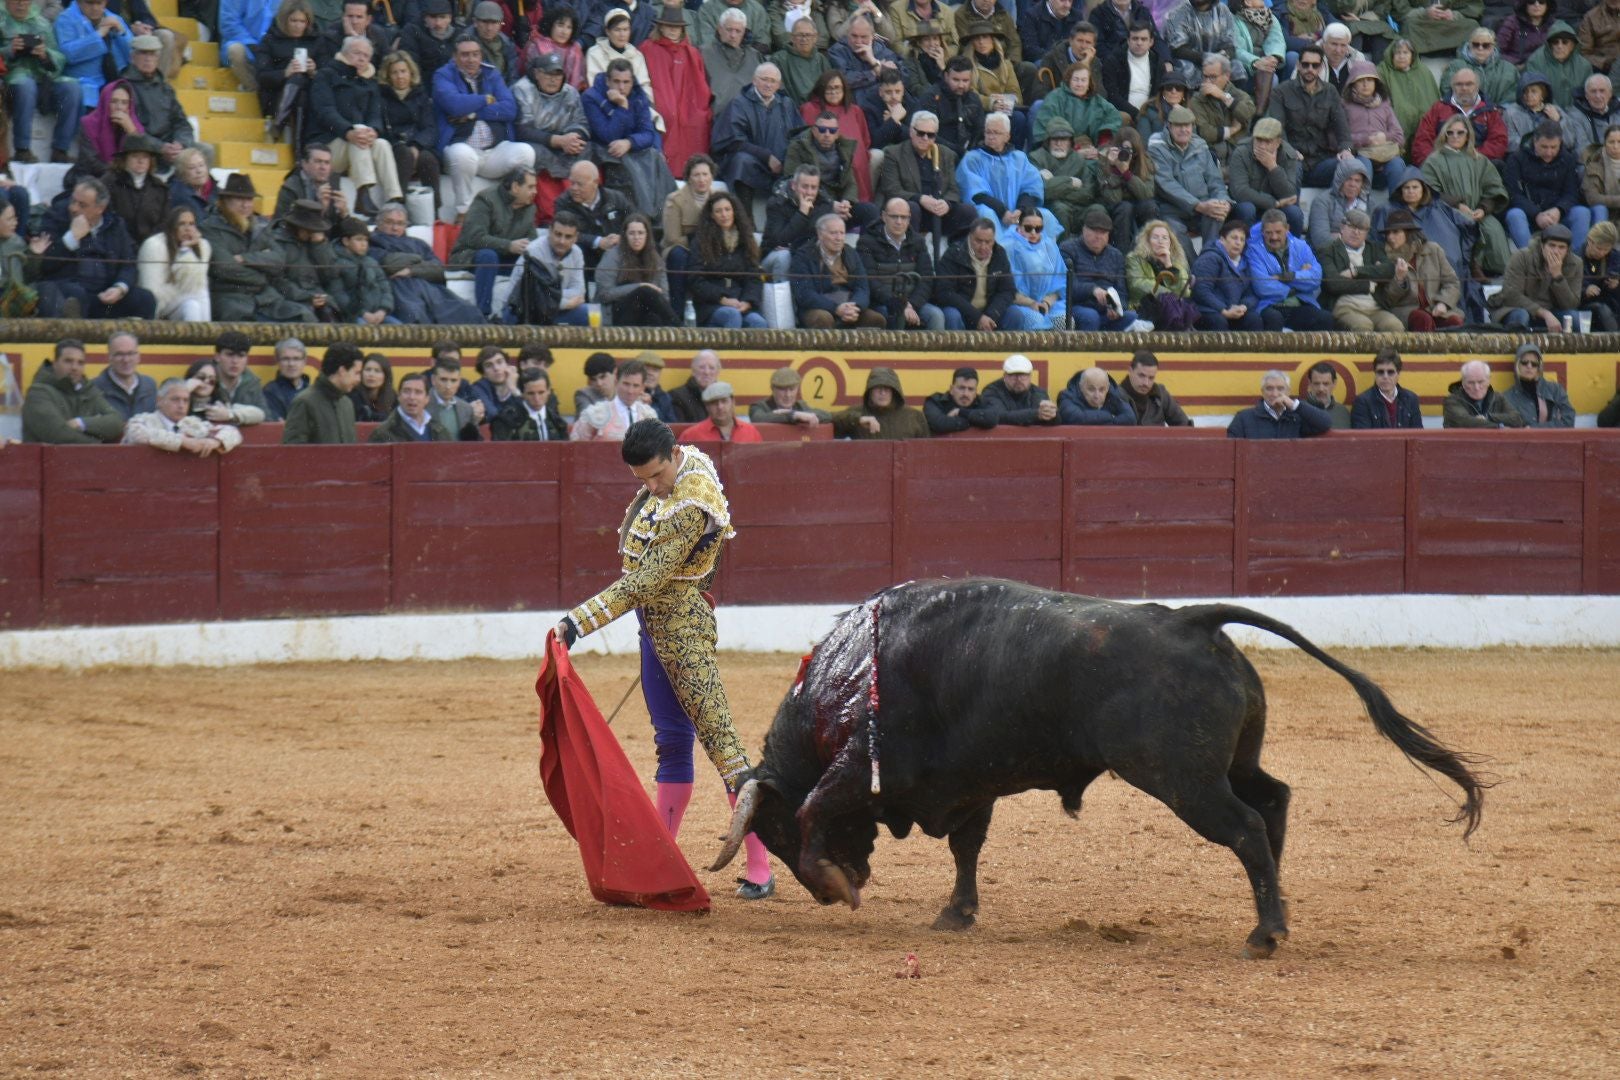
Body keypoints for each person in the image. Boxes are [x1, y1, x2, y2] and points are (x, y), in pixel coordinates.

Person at [554, 419, 775, 899]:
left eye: (657, 475)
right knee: (671, 742)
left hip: (684, 634)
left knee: (724, 747)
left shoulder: (689, 503)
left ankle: (761, 865)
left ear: (675, 454)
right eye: (643, 480)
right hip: (654, 627)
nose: (653, 487)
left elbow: (644, 581)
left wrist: (578, 622)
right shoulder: (677, 471)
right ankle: (660, 859)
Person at [434, 36, 535, 218]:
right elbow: (454, 105)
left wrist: (473, 113)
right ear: (455, 57)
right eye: (465, 55)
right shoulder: (443, 75)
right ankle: (463, 212)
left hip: (494, 150)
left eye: (475, 54)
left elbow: (510, 109)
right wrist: (486, 99)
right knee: (461, 155)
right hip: (461, 147)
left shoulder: (491, 73)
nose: (471, 60)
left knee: (526, 152)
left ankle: (511, 206)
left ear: (481, 55)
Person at [35, 179, 157, 320]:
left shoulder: (116, 225)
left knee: (145, 299)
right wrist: (71, 238)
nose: (73, 208)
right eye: (73, 201)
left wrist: (119, 288)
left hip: (105, 295)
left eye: (82, 205)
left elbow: (128, 264)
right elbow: (45, 264)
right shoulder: (56, 217)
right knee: (75, 295)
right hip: (70, 288)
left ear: (100, 208)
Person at [367, 203, 489, 325]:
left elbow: (438, 268)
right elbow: (391, 262)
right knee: (414, 313)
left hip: (430, 289)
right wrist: (420, 260)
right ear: (378, 222)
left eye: (400, 223)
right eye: (389, 222)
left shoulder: (418, 243)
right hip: (399, 288)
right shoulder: (372, 241)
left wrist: (411, 271)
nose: (394, 228)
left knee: (468, 311)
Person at [2, 0, 84, 164]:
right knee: (26, 86)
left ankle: (61, 149)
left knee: (72, 88)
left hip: (43, 76)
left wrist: (45, 54)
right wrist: (9, 50)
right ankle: (22, 149)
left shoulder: (42, 23)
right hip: (14, 77)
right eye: (15, 1)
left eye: (24, 1)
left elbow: (59, 57)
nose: (20, 5)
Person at [1148, 103, 1234, 256]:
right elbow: (1166, 184)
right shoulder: (1157, 146)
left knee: (1217, 214)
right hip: (1172, 209)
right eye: (1178, 126)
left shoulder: (1200, 145)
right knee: (1174, 230)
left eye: (1187, 125)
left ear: (1192, 126)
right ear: (1169, 126)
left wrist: (1223, 201)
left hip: (1204, 206)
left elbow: (1215, 180)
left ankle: (1208, 261)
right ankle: (1195, 268)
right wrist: (1198, 205)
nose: (1183, 130)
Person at [515, 53, 593, 222]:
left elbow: (582, 123)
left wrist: (573, 138)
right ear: (537, 74)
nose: (553, 79)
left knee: (586, 148)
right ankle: (547, 213)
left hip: (565, 141)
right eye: (548, 74)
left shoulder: (570, 92)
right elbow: (522, 130)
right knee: (535, 153)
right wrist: (557, 141)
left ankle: (583, 208)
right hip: (538, 141)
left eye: (558, 75)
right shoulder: (522, 89)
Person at [451, 166, 538, 317]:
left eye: (535, 187)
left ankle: (521, 316)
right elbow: (474, 237)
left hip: (503, 259)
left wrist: (532, 248)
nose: (535, 191)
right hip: (470, 256)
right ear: (516, 187)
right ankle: (483, 316)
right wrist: (509, 246)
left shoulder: (530, 208)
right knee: (488, 256)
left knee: (533, 261)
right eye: (531, 187)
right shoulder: (486, 199)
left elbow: (533, 240)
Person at [957, 112, 1053, 246]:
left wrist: (1021, 210)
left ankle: (1044, 260)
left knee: (1045, 216)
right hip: (991, 212)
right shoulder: (973, 159)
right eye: (988, 132)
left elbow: (1032, 187)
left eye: (996, 133)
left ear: (1007, 136)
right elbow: (975, 193)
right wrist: (1003, 212)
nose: (991, 136)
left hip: (1018, 213)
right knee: (986, 213)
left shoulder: (1019, 158)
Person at [1267, 44, 1356, 188]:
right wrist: (1290, 152)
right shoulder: (1281, 91)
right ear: (1298, 65)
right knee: (1293, 166)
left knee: (1351, 166)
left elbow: (1341, 125)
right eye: (1306, 64)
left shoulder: (1330, 91)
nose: (1310, 69)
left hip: (1321, 160)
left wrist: (1346, 149)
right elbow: (1277, 128)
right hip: (1292, 157)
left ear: (1321, 67)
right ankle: (1292, 209)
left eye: (1315, 65)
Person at [857, 197, 953, 329]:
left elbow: (926, 278)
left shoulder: (918, 241)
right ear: (884, 216)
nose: (899, 222)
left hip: (913, 302)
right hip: (883, 302)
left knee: (936, 315)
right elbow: (870, 279)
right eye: (894, 216)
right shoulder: (866, 243)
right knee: (890, 316)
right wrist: (898, 305)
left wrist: (912, 305)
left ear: (909, 219)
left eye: (903, 217)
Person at [711, 61, 796, 205]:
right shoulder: (739, 104)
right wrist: (766, 156)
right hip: (754, 163)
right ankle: (746, 217)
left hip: (783, 165)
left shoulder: (787, 105)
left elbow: (798, 135)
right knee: (741, 161)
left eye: (773, 81)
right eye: (764, 79)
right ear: (754, 80)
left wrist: (786, 161)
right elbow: (733, 141)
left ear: (778, 84)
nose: (768, 85)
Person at [790, 213, 888, 328]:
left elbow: (862, 287)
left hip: (849, 305)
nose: (839, 238)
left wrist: (854, 307)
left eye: (842, 233)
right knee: (822, 319)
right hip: (819, 307)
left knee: (877, 320)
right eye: (833, 233)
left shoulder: (851, 253)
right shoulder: (803, 256)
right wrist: (836, 308)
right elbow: (805, 294)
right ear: (820, 234)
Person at [376, 50, 443, 218]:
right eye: (395, 72)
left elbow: (430, 128)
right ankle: (399, 208)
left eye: (403, 71)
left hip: (417, 144)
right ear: (388, 75)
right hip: (393, 144)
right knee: (403, 154)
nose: (400, 76)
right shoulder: (381, 96)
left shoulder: (420, 95)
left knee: (428, 159)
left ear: (411, 72)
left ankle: (434, 212)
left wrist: (416, 145)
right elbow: (380, 127)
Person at [1504, 123, 1589, 253]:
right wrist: (1536, 214)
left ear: (1560, 143)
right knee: (1514, 214)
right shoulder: (1517, 159)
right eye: (1544, 147)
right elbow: (1513, 194)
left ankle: (1575, 261)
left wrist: (1559, 210)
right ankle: (1530, 260)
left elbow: (1571, 193)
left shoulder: (1568, 159)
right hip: (1529, 215)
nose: (1549, 152)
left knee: (1582, 212)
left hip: (1557, 215)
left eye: (1553, 147)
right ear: (1534, 141)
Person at [119, 32, 200, 169]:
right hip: (143, 148)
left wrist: (180, 144)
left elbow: (181, 122)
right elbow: (130, 129)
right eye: (143, 53)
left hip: (171, 146)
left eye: (152, 54)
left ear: (158, 59)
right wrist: (160, 147)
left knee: (205, 151)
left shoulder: (166, 89)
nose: (148, 59)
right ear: (133, 57)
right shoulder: (124, 87)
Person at [934, 217, 1031, 331]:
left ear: (994, 240)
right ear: (970, 237)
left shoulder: (999, 254)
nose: (983, 247)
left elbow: (1008, 291)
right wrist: (977, 317)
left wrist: (991, 315)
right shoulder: (953, 254)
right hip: (963, 313)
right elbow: (945, 292)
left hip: (990, 313)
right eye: (978, 241)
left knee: (1015, 314)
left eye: (988, 242)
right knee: (951, 315)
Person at [1245, 207, 1333, 330]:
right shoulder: (1254, 251)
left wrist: (1287, 277)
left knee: (1325, 318)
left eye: (1278, 232)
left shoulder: (1301, 246)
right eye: (1269, 233)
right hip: (1270, 306)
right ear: (1262, 232)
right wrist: (1299, 281)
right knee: (1273, 319)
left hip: (1300, 304)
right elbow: (1262, 287)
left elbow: (1316, 278)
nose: (1274, 237)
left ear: (1287, 229)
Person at [22, 339, 125, 444]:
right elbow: (58, 435)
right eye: (68, 361)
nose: (74, 368)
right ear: (55, 363)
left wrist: (81, 423)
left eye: (80, 363)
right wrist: (99, 446)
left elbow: (116, 422)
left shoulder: (87, 390)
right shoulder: (38, 393)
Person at [1319, 208, 1400, 332]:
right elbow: (1333, 284)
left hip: (1375, 307)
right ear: (1342, 227)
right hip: (1344, 307)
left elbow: (1388, 270)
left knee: (1394, 326)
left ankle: (1388, 353)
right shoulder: (1328, 250)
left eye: (1361, 229)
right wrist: (1368, 284)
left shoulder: (1374, 248)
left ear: (1367, 232)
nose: (1356, 232)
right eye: (1352, 226)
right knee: (1363, 326)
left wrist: (1355, 271)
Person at [1490, 222, 1581, 331]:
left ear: (1567, 250)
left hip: (1553, 311)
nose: (1556, 251)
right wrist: (1544, 313)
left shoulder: (1575, 263)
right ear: (1542, 246)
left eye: (1561, 247)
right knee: (1521, 316)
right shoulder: (1521, 256)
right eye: (1552, 245)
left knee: (1572, 318)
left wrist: (1558, 276)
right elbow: (1511, 295)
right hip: (1517, 308)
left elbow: (1571, 305)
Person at [1410, 67, 1507, 166]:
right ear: (1452, 86)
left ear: (1477, 86)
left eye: (1469, 84)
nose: (1464, 88)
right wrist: (1437, 162)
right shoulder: (1438, 108)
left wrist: (1471, 159)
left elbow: (1498, 142)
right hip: (1442, 166)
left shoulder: (1490, 111)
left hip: (1478, 165)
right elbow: (1422, 141)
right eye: (1459, 84)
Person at [1061, 207, 1137, 332]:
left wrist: (1117, 308)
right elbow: (1067, 286)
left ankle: (1117, 351)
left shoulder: (1116, 255)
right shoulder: (1068, 249)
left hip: (1106, 311)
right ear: (1084, 230)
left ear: (1108, 235)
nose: (1098, 236)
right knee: (1090, 316)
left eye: (1103, 232)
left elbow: (1122, 292)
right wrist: (1093, 290)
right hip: (1076, 306)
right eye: (1094, 231)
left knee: (1132, 317)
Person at [122, 377, 243, 455]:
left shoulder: (192, 423)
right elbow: (136, 434)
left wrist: (215, 441)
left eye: (186, 400)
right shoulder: (142, 420)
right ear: (159, 400)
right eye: (175, 399)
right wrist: (183, 442)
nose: (181, 405)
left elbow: (233, 432)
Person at [552, 160, 632, 276]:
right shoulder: (563, 203)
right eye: (572, 183)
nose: (574, 188)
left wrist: (622, 237)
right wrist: (598, 242)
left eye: (579, 184)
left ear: (595, 182)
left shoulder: (616, 198)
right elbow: (565, 234)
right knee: (575, 248)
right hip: (586, 256)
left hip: (618, 251)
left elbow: (635, 221)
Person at [133, 205, 210, 322]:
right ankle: (208, 335)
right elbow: (153, 294)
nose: (187, 229)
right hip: (160, 306)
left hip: (185, 302)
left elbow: (197, 283)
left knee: (192, 306)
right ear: (172, 226)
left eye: (191, 224)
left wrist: (186, 249)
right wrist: (181, 290)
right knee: (198, 294)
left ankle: (203, 338)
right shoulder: (154, 245)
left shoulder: (203, 246)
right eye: (182, 224)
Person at [282, 343, 364, 444]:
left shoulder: (346, 403)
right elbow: (292, 449)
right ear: (342, 371)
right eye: (356, 373)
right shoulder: (305, 402)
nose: (359, 379)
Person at [1127, 218, 1200, 330]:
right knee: (1171, 303)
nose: (1160, 241)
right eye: (1155, 237)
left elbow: (1184, 293)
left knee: (1180, 307)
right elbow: (1137, 284)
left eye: (1165, 238)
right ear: (1147, 241)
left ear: (1170, 242)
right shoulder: (1135, 258)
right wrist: (1167, 294)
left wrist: (1168, 265)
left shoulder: (1177, 263)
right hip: (1144, 307)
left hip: (1171, 309)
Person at [1190, 214, 1260, 330]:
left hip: (1232, 311)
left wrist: (1243, 306)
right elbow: (1201, 290)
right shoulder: (1210, 258)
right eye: (1234, 238)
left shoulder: (1245, 263)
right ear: (1222, 240)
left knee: (1253, 319)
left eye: (1242, 240)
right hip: (1208, 310)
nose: (1238, 242)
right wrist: (1224, 310)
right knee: (1218, 322)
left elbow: (1251, 294)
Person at [1005, 208, 1067, 330]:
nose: (1033, 232)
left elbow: (1060, 282)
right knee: (1036, 321)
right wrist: (1030, 303)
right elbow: (1005, 287)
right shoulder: (1007, 247)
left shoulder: (1049, 246)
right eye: (1028, 228)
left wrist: (1047, 302)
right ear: (1019, 225)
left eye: (1038, 229)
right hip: (1019, 304)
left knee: (1064, 321)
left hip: (1048, 304)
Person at [1226, 369, 1332, 439]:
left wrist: (1294, 405)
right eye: (1269, 388)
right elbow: (1231, 450)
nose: (1275, 394)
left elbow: (1325, 423)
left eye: (1280, 388)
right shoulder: (1244, 418)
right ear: (1262, 391)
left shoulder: (1298, 416)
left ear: (1288, 391)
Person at [831, 366, 930, 439]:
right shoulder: (857, 414)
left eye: (887, 389)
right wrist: (857, 419)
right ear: (870, 391)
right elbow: (828, 420)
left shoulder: (914, 417)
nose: (882, 393)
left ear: (894, 392)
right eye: (877, 388)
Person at [1377, 37, 1439, 150]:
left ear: (1412, 55)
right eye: (1398, 53)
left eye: (1406, 52)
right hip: (1395, 120)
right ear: (1391, 55)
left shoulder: (1423, 71)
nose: (1402, 56)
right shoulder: (1383, 70)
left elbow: (1433, 98)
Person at [330, 216, 395, 323]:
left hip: (379, 314)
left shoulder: (371, 262)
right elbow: (338, 294)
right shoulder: (336, 263)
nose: (364, 244)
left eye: (366, 240)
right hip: (353, 316)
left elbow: (385, 287)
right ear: (346, 241)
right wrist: (362, 313)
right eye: (359, 239)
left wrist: (383, 310)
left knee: (398, 328)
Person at [572, 358, 658, 440]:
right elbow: (576, 445)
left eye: (636, 386)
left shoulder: (649, 415)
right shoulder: (596, 413)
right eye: (626, 384)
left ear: (642, 387)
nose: (630, 391)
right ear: (616, 382)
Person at [701, 7, 765, 117]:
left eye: (738, 31)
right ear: (720, 29)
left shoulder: (755, 56)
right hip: (715, 119)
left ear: (744, 32)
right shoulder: (703, 53)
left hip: (749, 120)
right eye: (729, 29)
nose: (733, 35)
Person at [1501, 342, 1576, 427]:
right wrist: (1555, 423)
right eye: (1525, 362)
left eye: (1534, 364)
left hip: (1555, 440)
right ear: (1517, 365)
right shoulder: (1507, 398)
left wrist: (1533, 428)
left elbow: (1568, 421)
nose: (1529, 366)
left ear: (1539, 367)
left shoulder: (1556, 390)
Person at [368, 371, 456, 442]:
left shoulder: (440, 431)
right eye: (406, 391)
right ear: (399, 397)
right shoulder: (383, 433)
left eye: (418, 392)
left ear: (427, 399)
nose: (412, 397)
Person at [1350, 346, 1424, 428]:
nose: (1385, 376)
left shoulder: (1411, 399)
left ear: (1398, 374)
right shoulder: (1362, 402)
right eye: (1380, 372)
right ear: (1375, 373)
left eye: (1390, 372)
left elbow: (1418, 434)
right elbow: (1363, 438)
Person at [88, 330, 154, 420]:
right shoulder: (93, 389)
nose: (126, 360)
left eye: (130, 353)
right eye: (119, 354)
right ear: (109, 357)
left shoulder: (150, 386)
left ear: (138, 357)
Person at [1442, 360, 1526, 428]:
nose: (1477, 387)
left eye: (1481, 382)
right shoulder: (1452, 401)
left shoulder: (1498, 398)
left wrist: (1488, 417)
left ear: (1488, 381)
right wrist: (1500, 427)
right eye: (1471, 383)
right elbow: (1465, 422)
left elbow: (1517, 419)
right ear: (1463, 382)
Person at [1118, 351, 1193, 427]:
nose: (1146, 383)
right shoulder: (1115, 396)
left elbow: (1185, 425)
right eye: (1141, 375)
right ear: (1130, 371)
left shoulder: (1161, 395)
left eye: (1151, 378)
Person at [980, 354, 1058, 426]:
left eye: (1023, 375)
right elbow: (998, 416)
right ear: (1004, 376)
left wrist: (1052, 414)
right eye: (1013, 375)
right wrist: (1035, 415)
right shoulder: (991, 391)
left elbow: (1052, 420)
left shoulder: (1038, 393)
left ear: (1030, 376)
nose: (1018, 379)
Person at [492, 368, 570, 440]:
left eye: (541, 392)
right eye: (531, 393)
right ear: (522, 393)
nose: (537, 399)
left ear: (548, 391)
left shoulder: (557, 421)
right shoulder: (506, 420)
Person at [923, 367, 999, 434]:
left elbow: (993, 418)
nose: (965, 394)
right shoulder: (936, 401)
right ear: (951, 389)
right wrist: (972, 421)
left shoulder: (981, 401)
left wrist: (960, 412)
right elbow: (938, 424)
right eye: (961, 388)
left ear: (976, 392)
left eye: (971, 389)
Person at [682, 381, 763, 443]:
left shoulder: (751, 432)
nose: (720, 407)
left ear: (733, 402)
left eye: (724, 401)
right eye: (714, 403)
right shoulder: (691, 435)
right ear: (707, 407)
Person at [749, 367, 830, 428]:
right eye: (783, 390)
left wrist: (802, 415)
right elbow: (758, 418)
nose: (788, 395)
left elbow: (827, 416)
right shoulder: (759, 406)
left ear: (797, 389)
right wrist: (793, 415)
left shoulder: (800, 406)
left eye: (792, 389)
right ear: (772, 389)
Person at [427, 356, 485, 440]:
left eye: (453, 380)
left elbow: (474, 445)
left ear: (459, 382)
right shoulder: (421, 405)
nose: (448, 386)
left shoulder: (466, 409)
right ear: (433, 380)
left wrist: (474, 422)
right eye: (443, 379)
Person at [1057, 367, 1136, 425]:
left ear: (1108, 387)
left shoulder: (1114, 395)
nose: (1096, 395)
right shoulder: (1067, 396)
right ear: (1081, 386)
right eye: (1091, 389)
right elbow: (1078, 418)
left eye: (1101, 390)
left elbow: (1130, 418)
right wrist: (1111, 417)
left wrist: (1096, 420)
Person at [1580, 218, 1620, 332]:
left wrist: (1615, 285)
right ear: (1589, 240)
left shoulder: (1614, 257)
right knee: (1602, 309)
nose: (1602, 253)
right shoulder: (1576, 258)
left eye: (1606, 250)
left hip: (1610, 301)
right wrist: (1585, 290)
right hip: (1585, 304)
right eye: (1599, 248)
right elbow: (1569, 289)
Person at [262, 338, 310, 421]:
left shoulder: (313, 390)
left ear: (305, 361)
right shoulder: (269, 392)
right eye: (285, 359)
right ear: (277, 361)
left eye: (296, 359)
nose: (291, 364)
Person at [668, 351, 721, 422]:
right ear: (693, 371)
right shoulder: (677, 396)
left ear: (717, 372)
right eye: (702, 367)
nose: (707, 372)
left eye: (712, 368)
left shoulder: (723, 398)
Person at [1300, 361, 1352, 429]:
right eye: (1316, 383)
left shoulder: (1343, 412)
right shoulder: (1300, 410)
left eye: (1326, 384)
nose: (1321, 389)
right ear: (1309, 383)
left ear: (1334, 383)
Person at [350, 353, 397, 422]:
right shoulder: (352, 397)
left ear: (385, 376)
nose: (371, 374)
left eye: (377, 371)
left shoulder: (394, 399)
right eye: (368, 370)